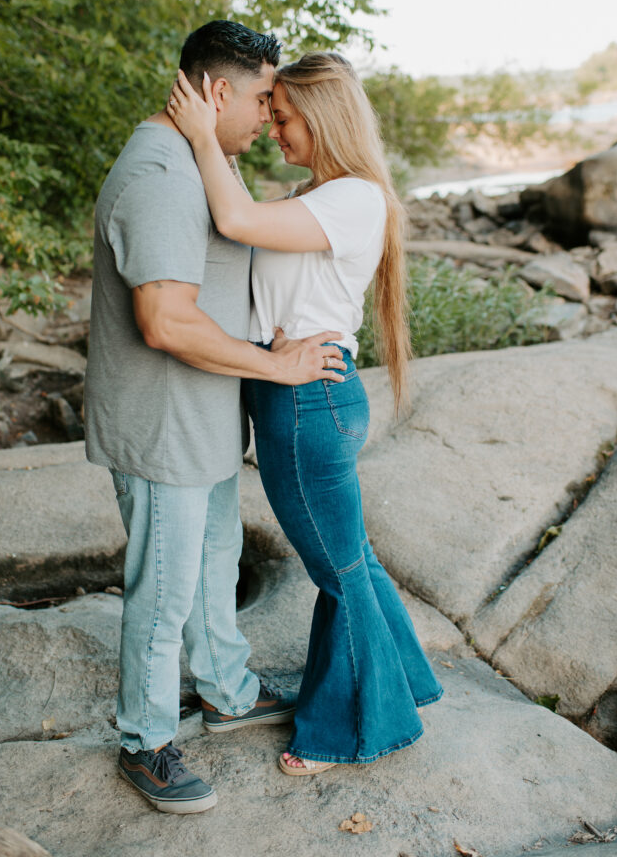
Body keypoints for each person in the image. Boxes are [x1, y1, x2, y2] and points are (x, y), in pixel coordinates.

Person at [84, 21, 348, 815]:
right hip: (163, 426)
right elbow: (166, 322)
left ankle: (227, 691)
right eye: (265, 98)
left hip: (202, 418)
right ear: (218, 91)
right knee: (163, 594)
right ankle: (146, 740)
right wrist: (278, 365)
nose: (271, 116)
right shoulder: (160, 175)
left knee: (212, 567)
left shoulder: (202, 162)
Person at [167, 51, 443, 776]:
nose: (272, 127)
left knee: (337, 571)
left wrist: (201, 133)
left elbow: (234, 216)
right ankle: (405, 681)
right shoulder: (321, 193)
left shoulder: (351, 197)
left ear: (321, 118)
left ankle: (351, 729)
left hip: (306, 400)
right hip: (299, 392)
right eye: (269, 112)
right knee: (351, 556)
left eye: (283, 116)